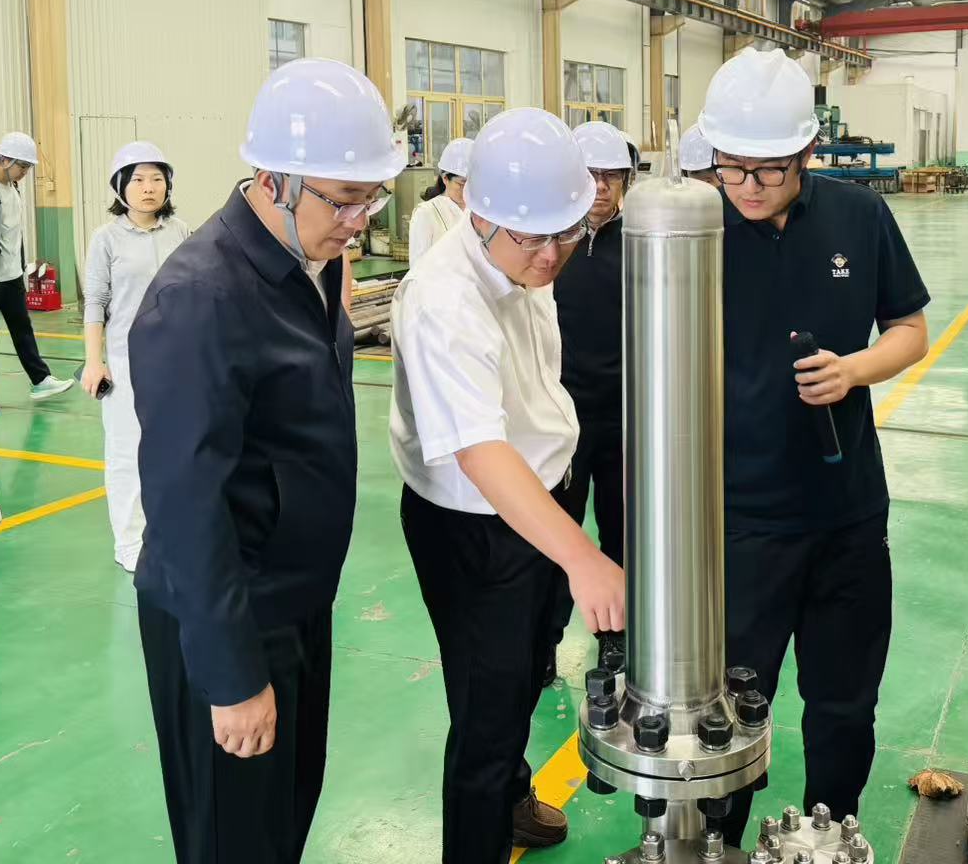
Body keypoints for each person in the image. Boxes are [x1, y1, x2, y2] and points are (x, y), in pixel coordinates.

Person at [128, 59, 404, 864]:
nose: (359, 222)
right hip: (231, 615)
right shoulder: (201, 298)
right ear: (273, 181)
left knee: (280, 825)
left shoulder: (309, 263)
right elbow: (185, 504)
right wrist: (232, 676)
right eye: (344, 200)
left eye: (370, 199)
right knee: (236, 841)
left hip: (294, 598)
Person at [700, 47, 931, 847]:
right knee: (728, 709)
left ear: (805, 152)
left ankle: (831, 840)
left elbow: (909, 328)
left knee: (842, 705)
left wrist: (853, 370)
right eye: (731, 167)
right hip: (739, 521)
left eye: (768, 169)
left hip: (846, 516)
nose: (747, 186)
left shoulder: (858, 216)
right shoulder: (694, 229)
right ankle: (717, 846)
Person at [390, 108, 625, 864]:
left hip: (544, 498)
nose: (553, 255)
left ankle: (512, 794)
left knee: (529, 667)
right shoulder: (443, 299)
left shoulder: (528, 253)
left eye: (567, 233)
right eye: (533, 239)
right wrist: (583, 557)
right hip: (478, 527)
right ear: (477, 211)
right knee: (485, 717)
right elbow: (481, 453)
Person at [547, 120, 634, 669]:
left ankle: (616, 638)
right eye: (590, 175)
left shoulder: (641, 242)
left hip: (624, 414)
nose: (600, 187)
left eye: (611, 176)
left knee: (623, 531)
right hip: (563, 416)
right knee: (560, 528)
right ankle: (545, 638)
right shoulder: (549, 243)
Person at [81, 141, 191, 573]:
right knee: (128, 452)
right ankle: (129, 541)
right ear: (120, 187)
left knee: (175, 449)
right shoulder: (105, 239)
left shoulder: (181, 232)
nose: (149, 188)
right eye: (139, 180)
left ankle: (168, 532)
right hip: (127, 362)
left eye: (157, 179)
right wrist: (95, 361)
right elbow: (95, 303)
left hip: (176, 361)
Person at [0, 131, 75, 412]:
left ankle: (40, 379)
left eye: (27, 167)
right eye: (22, 166)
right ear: (3, 160)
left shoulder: (13, 188)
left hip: (13, 276)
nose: (25, 172)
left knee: (23, 330)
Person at [407, 137, 472, 259]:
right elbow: (418, 264)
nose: (467, 191)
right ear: (445, 178)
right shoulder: (426, 213)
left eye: (472, 185)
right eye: (462, 184)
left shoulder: (475, 211)